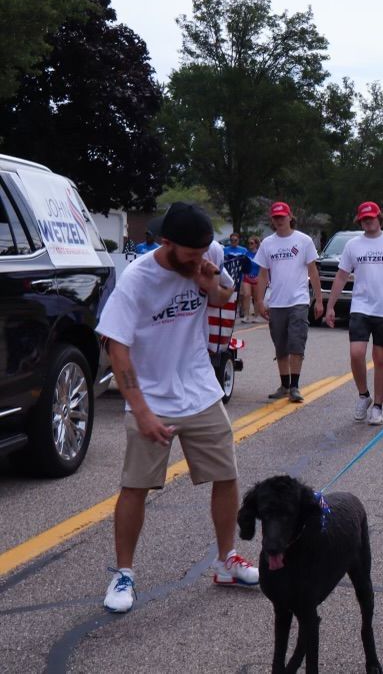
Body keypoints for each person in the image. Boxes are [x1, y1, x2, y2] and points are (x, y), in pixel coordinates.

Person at [96, 202, 259, 614]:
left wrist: (209, 283)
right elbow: (117, 349)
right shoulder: (137, 279)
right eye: (192, 254)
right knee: (136, 485)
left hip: (201, 388)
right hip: (152, 397)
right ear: (167, 243)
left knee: (226, 474)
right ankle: (124, 573)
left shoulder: (209, 255)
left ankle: (226, 561)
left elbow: (224, 297)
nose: (201, 260)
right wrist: (142, 411)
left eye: (206, 251)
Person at [324, 201, 383, 426]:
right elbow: (341, 276)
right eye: (363, 219)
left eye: (371, 218)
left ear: (379, 217)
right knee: (357, 353)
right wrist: (330, 305)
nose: (368, 222)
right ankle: (363, 395)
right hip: (361, 307)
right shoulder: (353, 245)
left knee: (380, 358)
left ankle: (377, 406)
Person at [254, 202, 323, 403]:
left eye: (282, 217)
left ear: (290, 216)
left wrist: (319, 300)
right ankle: (284, 385)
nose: (279, 220)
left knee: (296, 343)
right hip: (276, 302)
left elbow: (313, 272)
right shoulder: (267, 243)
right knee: (280, 345)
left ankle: (295, 386)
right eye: (275, 218)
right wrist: (259, 301)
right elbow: (262, 274)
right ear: (272, 220)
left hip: (298, 300)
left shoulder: (303, 240)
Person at [239, 236, 261, 323]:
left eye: (251, 243)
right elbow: (243, 266)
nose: (249, 245)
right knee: (246, 295)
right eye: (248, 243)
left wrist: (259, 277)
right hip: (247, 277)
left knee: (256, 297)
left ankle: (256, 316)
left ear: (256, 244)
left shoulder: (260, 254)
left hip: (256, 278)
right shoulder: (246, 254)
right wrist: (245, 275)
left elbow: (262, 267)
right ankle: (246, 316)